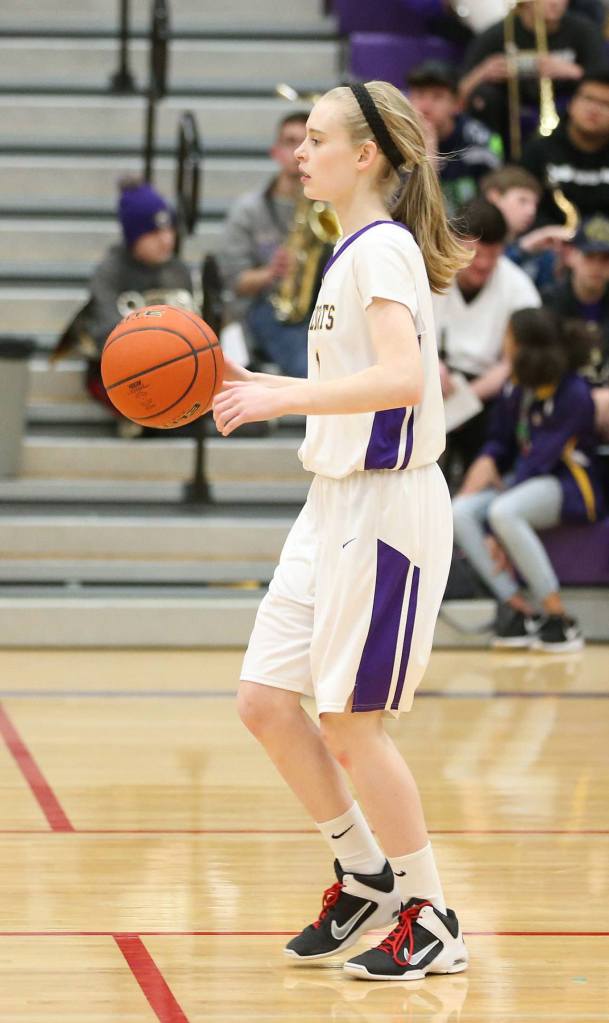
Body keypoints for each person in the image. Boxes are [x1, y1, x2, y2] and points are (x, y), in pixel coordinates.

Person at [212, 80, 471, 980]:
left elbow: (403, 379)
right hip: (329, 502)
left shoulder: (383, 249)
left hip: (387, 504)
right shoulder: (348, 248)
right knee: (264, 701)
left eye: (316, 139)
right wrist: (262, 378)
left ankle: (431, 912)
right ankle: (364, 872)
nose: (299, 153)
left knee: (353, 724)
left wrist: (282, 395)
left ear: (366, 157)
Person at [452, 306, 604, 651]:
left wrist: (493, 532)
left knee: (503, 512)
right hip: (520, 482)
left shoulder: (573, 392)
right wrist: (487, 460)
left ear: (526, 345)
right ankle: (518, 609)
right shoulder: (515, 387)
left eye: (508, 337)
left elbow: (540, 460)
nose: (503, 343)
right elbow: (500, 440)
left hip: (570, 485)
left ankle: (559, 618)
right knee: (458, 512)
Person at [54, 178, 195, 433]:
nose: (166, 240)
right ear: (133, 237)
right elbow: (105, 331)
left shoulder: (179, 271)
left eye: (169, 230)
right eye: (153, 233)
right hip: (123, 367)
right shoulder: (110, 271)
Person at [433, 197, 541, 480]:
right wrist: (429, 364)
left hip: (488, 388)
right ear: (455, 243)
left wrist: (468, 397)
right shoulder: (430, 274)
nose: (482, 265)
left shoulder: (519, 288)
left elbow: (513, 362)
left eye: (492, 256)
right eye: (474, 254)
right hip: (432, 378)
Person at [216, 111, 312, 377]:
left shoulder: (330, 207)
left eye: (309, 141)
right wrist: (272, 273)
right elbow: (234, 281)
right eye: (290, 141)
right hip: (264, 311)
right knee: (309, 364)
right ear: (275, 151)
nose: (298, 151)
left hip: (318, 310)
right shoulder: (248, 209)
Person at [458, 0, 607, 153]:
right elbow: (459, 95)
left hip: (566, 109)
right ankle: (495, 158)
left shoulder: (585, 30)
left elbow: (604, 85)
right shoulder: (499, 33)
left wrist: (573, 72)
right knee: (485, 97)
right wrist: (483, 72)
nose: (556, 3)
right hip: (510, 113)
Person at [406, 59, 504, 213]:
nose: (425, 106)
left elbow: (494, 203)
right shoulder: (397, 139)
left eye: (437, 97)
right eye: (419, 95)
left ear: (457, 104)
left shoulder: (480, 141)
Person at [542, 214, 609, 436]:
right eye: (590, 256)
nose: (597, 267)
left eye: (605, 259)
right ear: (571, 256)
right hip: (561, 405)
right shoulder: (550, 302)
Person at [521, 68, 609, 227]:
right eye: (589, 99)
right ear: (571, 103)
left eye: (605, 104)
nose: (595, 109)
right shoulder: (538, 151)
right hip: (548, 244)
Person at [480, 164, 569, 287]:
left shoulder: (539, 250)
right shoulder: (471, 237)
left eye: (535, 204)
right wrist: (524, 247)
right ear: (494, 197)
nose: (531, 211)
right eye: (523, 200)